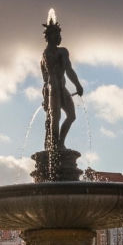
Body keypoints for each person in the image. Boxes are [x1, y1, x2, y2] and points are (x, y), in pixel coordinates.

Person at [40, 17, 83, 148]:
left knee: (71, 116)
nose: (59, 36)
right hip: (52, 89)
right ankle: (54, 146)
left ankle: (59, 143)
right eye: (56, 34)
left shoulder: (63, 51)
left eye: (59, 34)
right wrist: (46, 98)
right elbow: (47, 79)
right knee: (55, 117)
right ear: (49, 36)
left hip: (61, 88)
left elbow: (69, 70)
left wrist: (77, 85)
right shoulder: (46, 55)